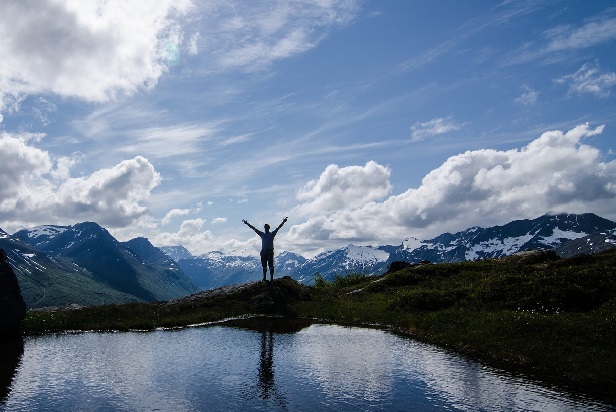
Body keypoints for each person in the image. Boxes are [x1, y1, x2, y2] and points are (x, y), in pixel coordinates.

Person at [242, 217, 288, 281]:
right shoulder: (263, 234)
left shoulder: (271, 234)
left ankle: (271, 278)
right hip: (264, 252)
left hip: (269, 251)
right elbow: (254, 228)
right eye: (265, 227)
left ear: (268, 228)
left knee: (270, 265)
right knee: (264, 266)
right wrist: (247, 223)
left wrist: (283, 222)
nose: (265, 228)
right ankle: (265, 278)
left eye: (266, 227)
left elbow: (279, 227)